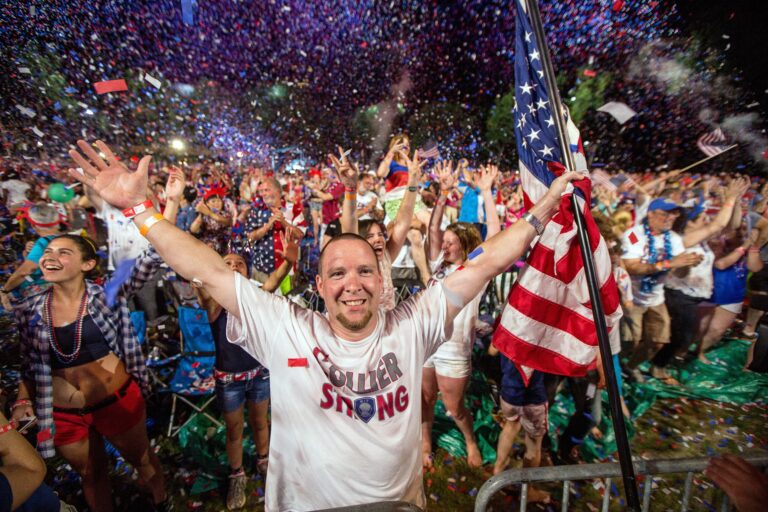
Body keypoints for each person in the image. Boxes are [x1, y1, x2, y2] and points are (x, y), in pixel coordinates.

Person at [67, 138, 582, 511]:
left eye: (364, 271)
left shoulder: (414, 323)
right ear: (318, 286)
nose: (352, 283)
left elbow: (487, 261)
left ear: (382, 281)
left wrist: (544, 207)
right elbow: (206, 268)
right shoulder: (286, 326)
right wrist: (140, 209)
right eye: (337, 272)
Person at [196, 235, 297, 510]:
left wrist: (288, 260)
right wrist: (200, 274)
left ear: (247, 271)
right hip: (229, 380)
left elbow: (274, 281)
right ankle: (237, 474)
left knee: (261, 422)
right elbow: (203, 292)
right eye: (226, 263)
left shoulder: (255, 298)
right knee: (234, 429)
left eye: (239, 263)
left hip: (259, 374)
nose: (233, 267)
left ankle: (264, 462)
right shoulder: (216, 303)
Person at [421, 161, 500, 468]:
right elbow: (431, 227)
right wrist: (442, 194)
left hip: (454, 349)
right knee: (425, 399)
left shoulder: (476, 272)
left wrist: (486, 193)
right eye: (446, 239)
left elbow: (493, 236)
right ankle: (425, 443)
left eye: (453, 240)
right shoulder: (438, 263)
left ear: (466, 246)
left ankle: (469, 439)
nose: (446, 242)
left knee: (455, 407)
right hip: (427, 342)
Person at [337, 147, 425, 311]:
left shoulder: (385, 257)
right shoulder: (356, 260)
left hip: (387, 331)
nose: (378, 239)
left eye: (380, 234)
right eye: (370, 236)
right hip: (362, 331)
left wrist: (412, 184)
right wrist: (350, 188)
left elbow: (403, 223)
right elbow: (348, 223)